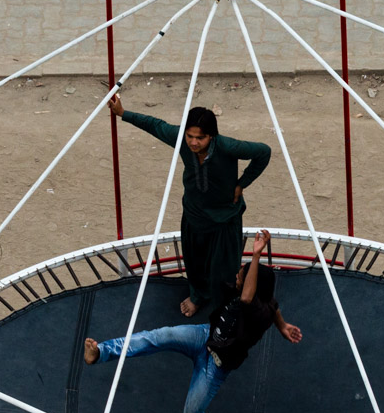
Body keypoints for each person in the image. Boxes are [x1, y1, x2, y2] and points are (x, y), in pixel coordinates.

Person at [84, 230, 302, 413]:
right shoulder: (265, 302)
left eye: (242, 276)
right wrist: (283, 326)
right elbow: (274, 306)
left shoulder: (256, 309)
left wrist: (256, 255)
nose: (237, 277)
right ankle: (101, 351)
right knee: (159, 336)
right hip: (204, 336)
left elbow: (251, 299)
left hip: (216, 363)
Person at [109, 92, 271, 318]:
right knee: (194, 263)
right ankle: (197, 296)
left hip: (224, 218)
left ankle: (223, 306)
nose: (194, 142)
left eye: (200, 138)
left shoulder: (228, 147)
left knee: (224, 269)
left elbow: (264, 152)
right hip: (194, 215)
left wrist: (242, 183)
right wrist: (123, 113)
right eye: (190, 136)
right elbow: (155, 125)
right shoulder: (181, 141)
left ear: (211, 136)